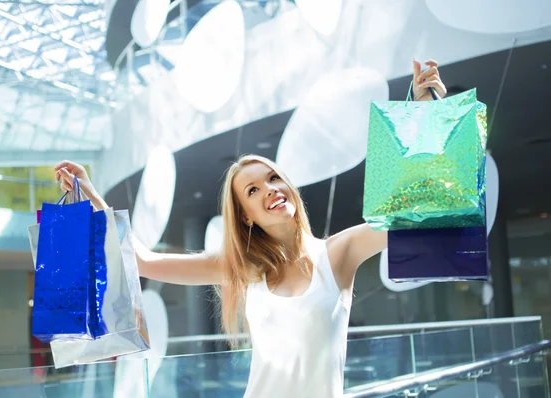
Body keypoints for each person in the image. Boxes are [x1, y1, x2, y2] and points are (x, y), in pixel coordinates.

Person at [55, 59, 446, 397]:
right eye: (254, 190)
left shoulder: (338, 254)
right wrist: (91, 196)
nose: (271, 190)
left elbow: (411, 211)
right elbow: (143, 261)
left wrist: (424, 111)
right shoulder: (242, 266)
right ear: (246, 216)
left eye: (274, 178)